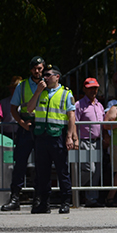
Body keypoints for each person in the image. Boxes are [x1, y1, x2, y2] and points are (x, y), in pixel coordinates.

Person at [27, 65, 77, 214]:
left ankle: (65, 202)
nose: (45, 77)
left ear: (57, 77)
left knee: (62, 171)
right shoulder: (40, 92)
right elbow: (29, 108)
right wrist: (37, 91)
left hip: (58, 136)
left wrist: (70, 136)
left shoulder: (65, 93)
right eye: (44, 75)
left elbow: (71, 116)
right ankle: (44, 203)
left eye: (48, 75)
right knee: (42, 172)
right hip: (41, 136)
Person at [1, 56, 45, 211]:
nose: (37, 71)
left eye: (40, 68)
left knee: (40, 165)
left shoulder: (48, 85)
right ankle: (15, 198)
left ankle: (38, 198)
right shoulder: (23, 85)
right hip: (26, 126)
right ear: (30, 69)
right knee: (20, 163)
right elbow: (14, 108)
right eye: (34, 68)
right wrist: (22, 123)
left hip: (42, 127)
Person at [74, 77, 105, 207]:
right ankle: (73, 187)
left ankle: (91, 199)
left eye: (95, 88)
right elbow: (74, 123)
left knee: (96, 172)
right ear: (84, 89)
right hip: (84, 141)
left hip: (97, 141)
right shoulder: (79, 105)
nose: (93, 91)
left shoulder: (99, 105)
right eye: (90, 88)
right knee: (88, 169)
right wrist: (74, 138)